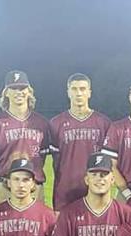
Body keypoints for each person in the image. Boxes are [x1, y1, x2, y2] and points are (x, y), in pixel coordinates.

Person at [0, 70, 50, 207]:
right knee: (1, 227)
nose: (18, 92)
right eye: (13, 88)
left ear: (29, 91)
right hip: (4, 187)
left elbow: (41, 157)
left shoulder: (41, 123)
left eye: (22, 88)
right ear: (6, 93)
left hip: (34, 187)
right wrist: (4, 180)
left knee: (38, 228)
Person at [49, 73, 112, 209]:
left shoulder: (103, 123)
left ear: (89, 93)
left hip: (95, 189)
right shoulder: (56, 123)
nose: (78, 93)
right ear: (68, 92)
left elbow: (108, 162)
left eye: (83, 89)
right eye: (74, 89)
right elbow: (55, 161)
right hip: (65, 191)